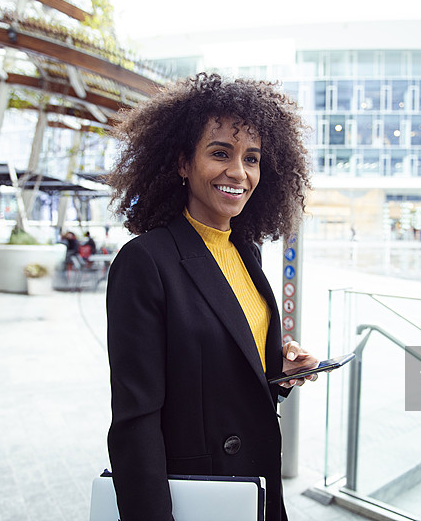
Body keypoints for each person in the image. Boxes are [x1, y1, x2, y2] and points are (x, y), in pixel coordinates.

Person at [105, 73, 318, 521]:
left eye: (252, 158)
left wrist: (276, 371)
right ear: (183, 162)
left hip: (256, 486)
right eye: (220, 153)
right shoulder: (145, 262)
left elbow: (223, 379)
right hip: (197, 495)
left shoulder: (247, 252)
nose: (239, 172)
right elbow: (135, 422)